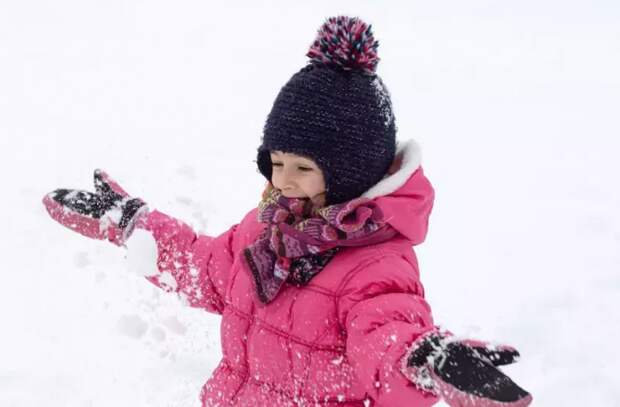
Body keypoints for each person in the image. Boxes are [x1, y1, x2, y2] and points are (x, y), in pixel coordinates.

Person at [42, 16, 532, 407]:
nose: (283, 181)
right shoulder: (267, 228)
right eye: (275, 163)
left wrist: (423, 359)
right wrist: (133, 223)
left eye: (302, 167)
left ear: (350, 173)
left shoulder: (376, 265)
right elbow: (205, 270)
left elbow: (385, 338)